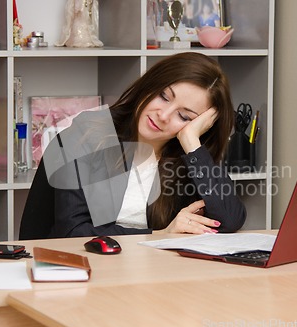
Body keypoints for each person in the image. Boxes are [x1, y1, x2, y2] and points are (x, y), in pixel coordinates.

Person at [22, 52, 246, 239]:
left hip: (153, 276)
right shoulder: (85, 137)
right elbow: (73, 233)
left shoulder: (187, 158)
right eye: (163, 96)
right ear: (150, 85)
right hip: (76, 273)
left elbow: (228, 220)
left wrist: (191, 142)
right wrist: (159, 234)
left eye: (184, 116)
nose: (164, 115)